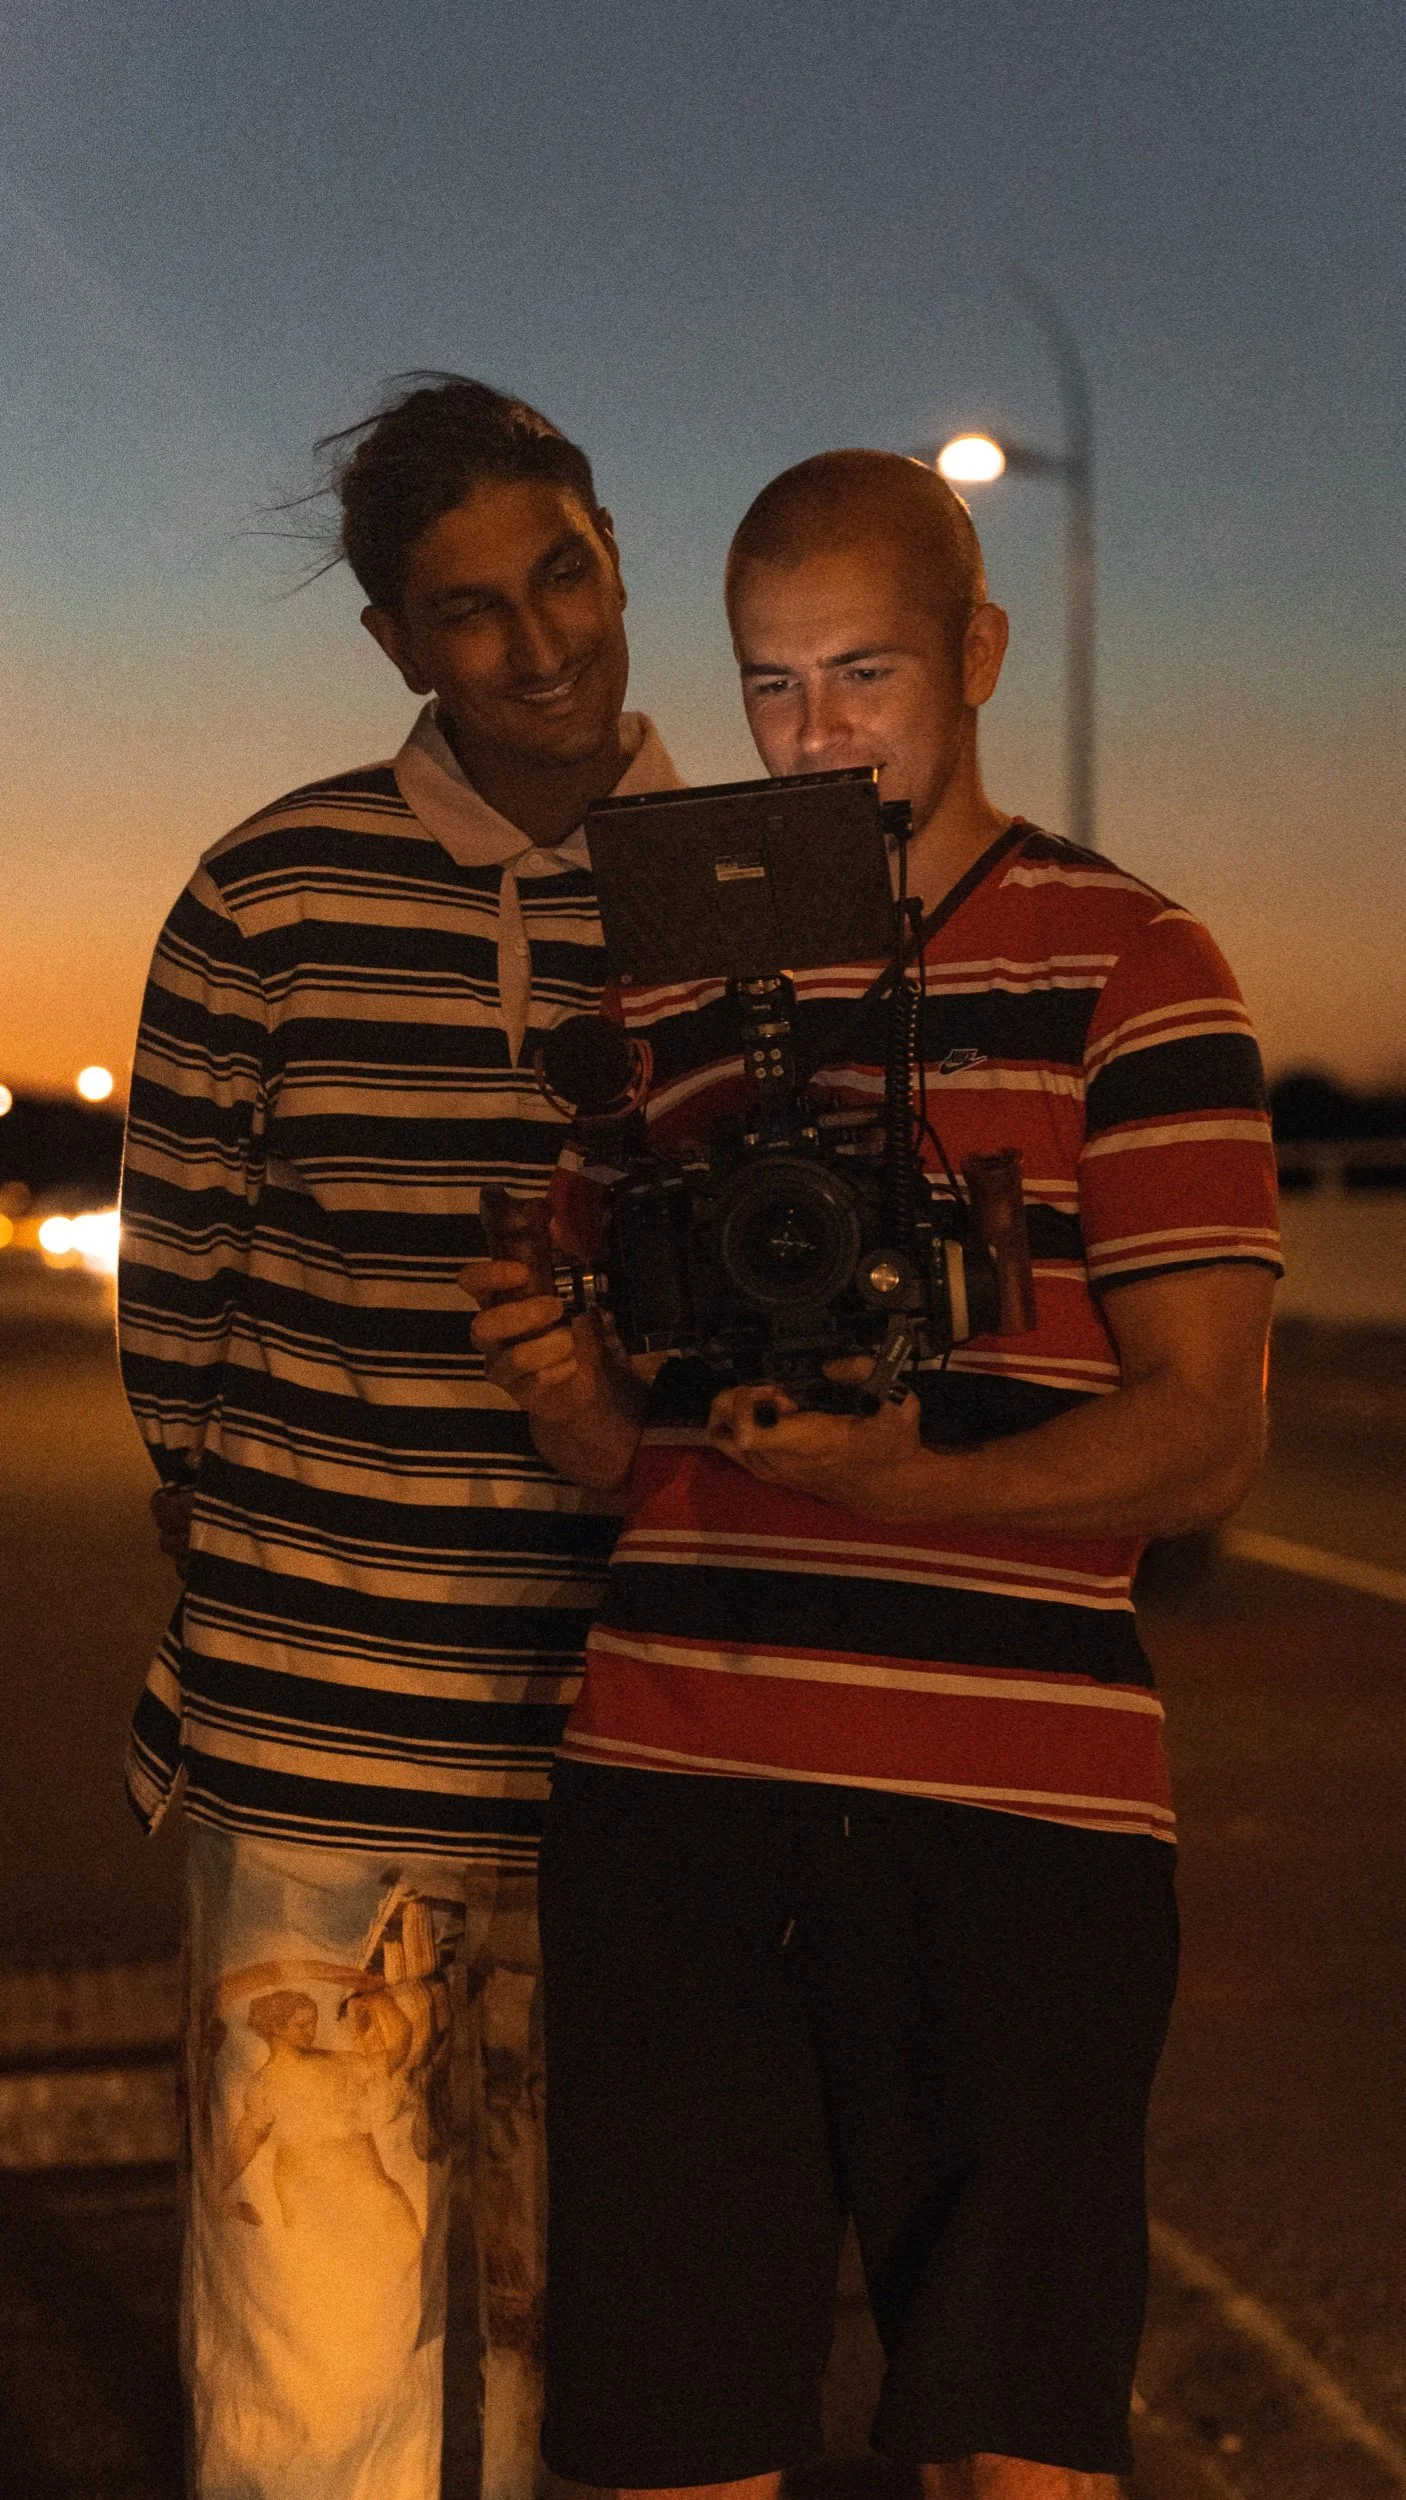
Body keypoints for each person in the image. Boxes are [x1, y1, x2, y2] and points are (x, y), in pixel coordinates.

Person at [468, 450, 1281, 2500]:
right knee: (663, 2439)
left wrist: (904, 1480)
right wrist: (556, 1371)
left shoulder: (1133, 962)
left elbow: (1208, 1427)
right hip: (674, 1794)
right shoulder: (670, 998)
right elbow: (613, 1445)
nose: (813, 734)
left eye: (863, 676)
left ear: (975, 655)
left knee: (1011, 2446)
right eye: (768, 688)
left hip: (1014, 1826)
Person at [117, 372, 682, 2500]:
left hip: (633, 1748)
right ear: (392, 647)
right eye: (469, 612)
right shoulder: (267, 895)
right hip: (317, 1749)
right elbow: (171, 1303)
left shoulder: (745, 898)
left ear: (617, 550)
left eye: (564, 574)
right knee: (309, 2352)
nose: (540, 645)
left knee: (583, 2330)